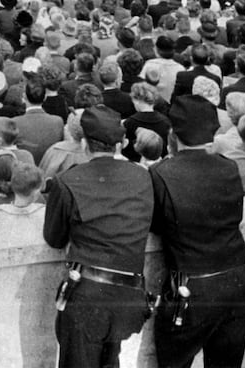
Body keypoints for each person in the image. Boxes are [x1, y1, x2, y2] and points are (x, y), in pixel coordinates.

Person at [150, 95, 245, 368]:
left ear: (173, 134)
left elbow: (157, 225)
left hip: (192, 288)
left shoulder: (161, 173)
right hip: (237, 281)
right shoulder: (229, 166)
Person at [43, 105, 154, 368]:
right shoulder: (143, 177)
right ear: (120, 145)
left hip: (86, 297)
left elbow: (54, 238)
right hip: (130, 296)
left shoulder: (67, 181)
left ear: (83, 143)